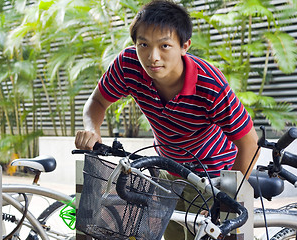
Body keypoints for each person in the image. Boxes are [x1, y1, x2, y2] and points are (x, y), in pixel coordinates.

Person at [75, 0, 259, 239]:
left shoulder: (210, 84)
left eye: (164, 45)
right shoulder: (128, 65)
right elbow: (96, 103)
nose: (153, 57)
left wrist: (224, 199)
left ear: (185, 46)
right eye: (144, 44)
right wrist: (92, 130)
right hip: (166, 170)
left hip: (212, 174)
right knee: (171, 234)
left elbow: (249, 144)